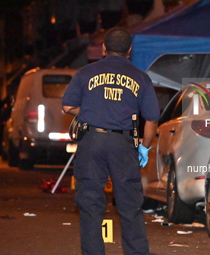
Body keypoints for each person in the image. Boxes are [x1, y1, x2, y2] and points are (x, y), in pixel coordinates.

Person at [62, 27, 159, 255]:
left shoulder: (86, 73)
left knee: (90, 205)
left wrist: (89, 112)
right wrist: (144, 147)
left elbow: (67, 106)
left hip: (92, 141)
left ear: (104, 48)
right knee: (130, 206)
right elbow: (152, 119)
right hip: (123, 145)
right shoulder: (141, 78)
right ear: (129, 51)